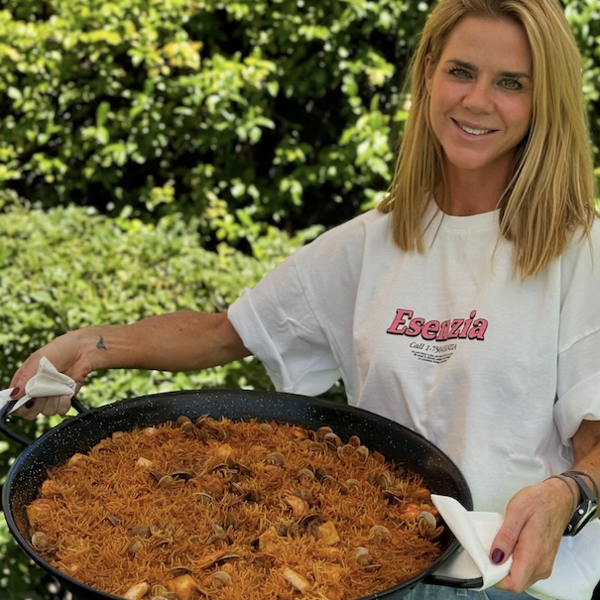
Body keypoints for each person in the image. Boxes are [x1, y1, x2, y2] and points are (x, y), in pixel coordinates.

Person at [8, 0, 600, 598]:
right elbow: (226, 333)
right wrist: (92, 345)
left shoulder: (580, 250)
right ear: (427, 72)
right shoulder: (372, 243)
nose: (476, 101)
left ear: (543, 98)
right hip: (382, 577)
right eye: (461, 71)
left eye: (511, 83)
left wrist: (569, 496)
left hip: (515, 584)